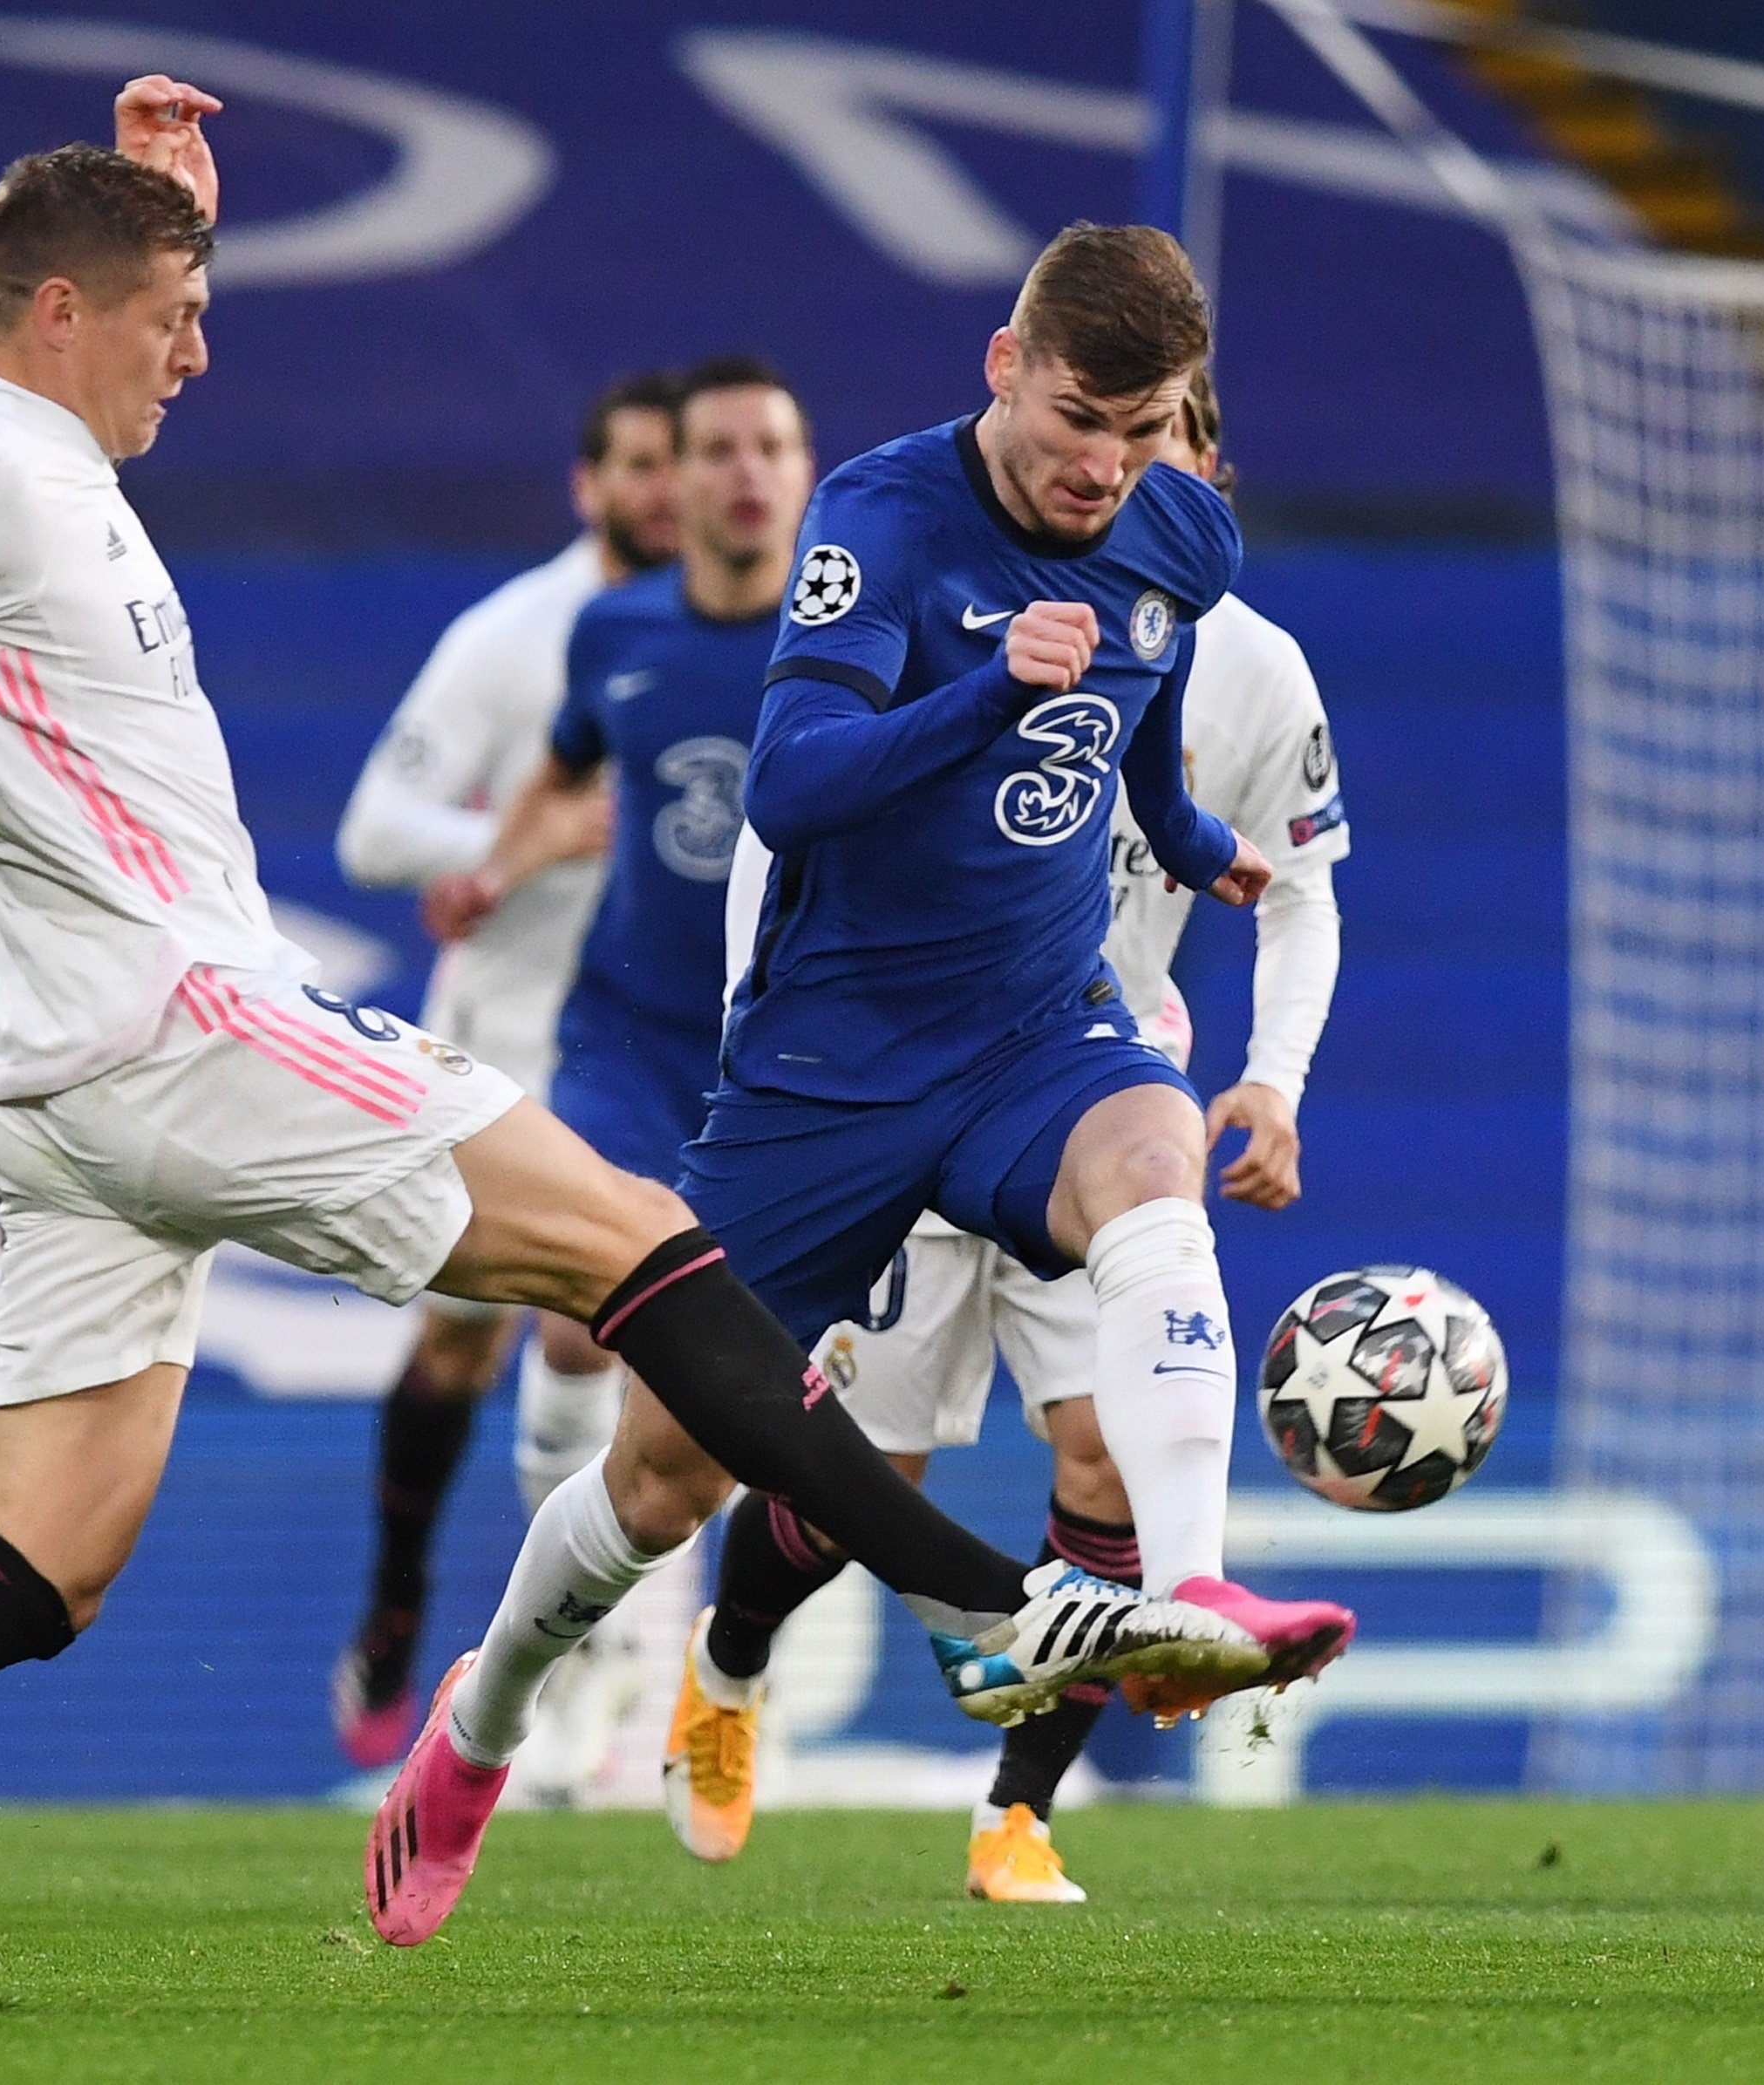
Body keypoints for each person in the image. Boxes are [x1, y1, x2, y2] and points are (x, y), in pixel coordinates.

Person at [0, 81, 1210, 2013]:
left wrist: (166, 202)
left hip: (70, 1090)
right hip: (183, 1020)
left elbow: (76, 302)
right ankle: (989, 1609)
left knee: (39, 1566)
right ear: (59, 316)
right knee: (639, 1241)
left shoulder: (31, 441)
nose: (201, 353)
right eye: (171, 318)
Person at [376, 228, 1358, 1947]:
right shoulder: (882, 522)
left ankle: (1191, 1583)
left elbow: (1133, 706)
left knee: (1151, 1153)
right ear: (1002, 365)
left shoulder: (1170, 525)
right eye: (1074, 421)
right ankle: (479, 1726)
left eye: (1138, 433)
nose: (1100, 468)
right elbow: (792, 781)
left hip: (1036, 1030)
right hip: (830, 1068)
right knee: (658, 1480)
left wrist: (1194, 845)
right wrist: (990, 688)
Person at [660, 368, 1356, 1898]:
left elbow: (1294, 882)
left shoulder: (1246, 666)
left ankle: (1021, 1813)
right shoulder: (962, 584)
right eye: (1092, 446)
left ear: (1206, 478)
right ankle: (729, 1667)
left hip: (1083, 1083)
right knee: (863, 1476)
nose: (1110, 486)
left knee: (1103, 1452)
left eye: (1153, 453)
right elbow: (794, 818)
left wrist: (1277, 1079)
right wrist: (758, 1044)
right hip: (893, 1070)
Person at [417, 356, 814, 1799]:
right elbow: (566, 768)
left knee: (737, 1405)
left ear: (803, 468)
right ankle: (577, 1667)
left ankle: (671, 1670)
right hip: (626, 1042)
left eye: (774, 445)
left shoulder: (850, 636)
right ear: (681, 475)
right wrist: (498, 867)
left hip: (784, 1064)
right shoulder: (614, 631)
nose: (747, 472)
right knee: (579, 1334)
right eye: (719, 448)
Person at [326, 371, 682, 1774]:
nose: (668, 489)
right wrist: (512, 839)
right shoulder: (515, 637)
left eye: (687, 461)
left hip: (658, 1040)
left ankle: (596, 1664)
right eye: (639, 465)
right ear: (588, 486)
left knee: (607, 1318)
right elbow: (370, 831)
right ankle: (400, 1595)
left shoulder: (750, 631)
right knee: (465, 1342)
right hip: (512, 1032)